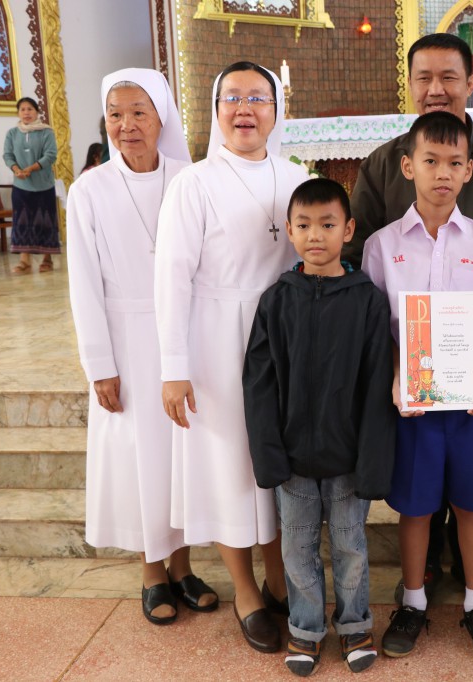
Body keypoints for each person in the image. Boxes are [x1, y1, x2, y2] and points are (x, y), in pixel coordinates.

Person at [349, 31, 473, 605]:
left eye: (448, 76)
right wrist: (394, 371)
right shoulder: (382, 168)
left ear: (470, 82)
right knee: (417, 494)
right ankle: (419, 580)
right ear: (410, 166)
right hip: (412, 379)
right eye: (423, 77)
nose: (436, 88)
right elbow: (367, 279)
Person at [155, 60, 307, 653]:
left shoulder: (296, 176)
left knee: (277, 460)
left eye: (258, 97)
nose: (246, 109)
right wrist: (174, 367)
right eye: (233, 97)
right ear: (216, 110)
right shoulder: (193, 183)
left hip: (284, 336)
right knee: (230, 466)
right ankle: (246, 590)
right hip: (216, 339)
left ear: (276, 109)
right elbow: (171, 278)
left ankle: (279, 578)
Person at [362, 112, 473, 661]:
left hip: (470, 401)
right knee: (416, 506)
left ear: (470, 170)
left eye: (455, 163)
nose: (443, 173)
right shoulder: (382, 246)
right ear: (409, 166)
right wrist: (395, 378)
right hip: (413, 404)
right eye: (431, 161)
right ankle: (413, 602)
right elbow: (377, 327)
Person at [67, 68, 218, 625]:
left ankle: (183, 567)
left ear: (162, 118)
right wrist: (99, 365)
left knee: (180, 455)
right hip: (126, 342)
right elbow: (83, 284)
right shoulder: (88, 190)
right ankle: (152, 573)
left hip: (184, 336)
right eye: (115, 114)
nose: (127, 125)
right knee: (141, 459)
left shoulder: (190, 178)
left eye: (139, 113)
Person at [244, 178, 396, 677]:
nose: (316, 235)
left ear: (348, 230)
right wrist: (269, 456)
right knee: (296, 548)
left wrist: (373, 460)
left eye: (328, 225)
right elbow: (259, 385)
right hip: (292, 460)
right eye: (305, 225)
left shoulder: (367, 300)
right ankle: (306, 629)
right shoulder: (276, 302)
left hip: (348, 457)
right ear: (289, 231)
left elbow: (378, 384)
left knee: (350, 546)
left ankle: (355, 625)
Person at [4, 97, 59, 273]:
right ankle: (24, 262)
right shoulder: (12, 133)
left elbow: (50, 155)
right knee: (22, 222)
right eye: (22, 109)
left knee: (45, 221)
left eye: (30, 109)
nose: (26, 113)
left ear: (37, 112)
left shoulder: (46, 132)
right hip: (21, 186)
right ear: (18, 113)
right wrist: (16, 170)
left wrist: (31, 168)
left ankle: (47, 259)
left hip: (44, 185)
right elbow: (7, 155)